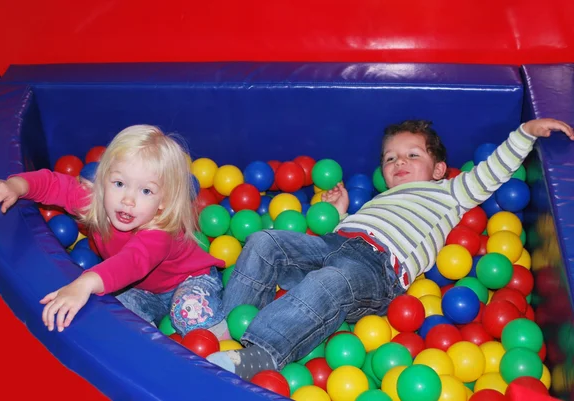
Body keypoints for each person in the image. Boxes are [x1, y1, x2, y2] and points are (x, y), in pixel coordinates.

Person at [206, 118, 574, 380]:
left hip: (378, 270)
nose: (400, 162)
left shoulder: (448, 193)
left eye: (413, 155)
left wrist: (525, 134)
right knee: (264, 240)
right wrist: (339, 215)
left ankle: (260, 354)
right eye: (391, 158)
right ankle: (221, 327)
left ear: (439, 169)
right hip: (336, 242)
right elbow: (347, 234)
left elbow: (490, 172)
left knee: (331, 282)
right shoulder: (380, 199)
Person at [0, 124, 230, 339]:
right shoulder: (96, 201)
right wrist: (16, 185)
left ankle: (223, 355)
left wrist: (84, 283)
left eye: (146, 191)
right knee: (115, 314)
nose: (128, 200)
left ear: (163, 201)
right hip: (142, 289)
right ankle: (149, 353)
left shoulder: (160, 232)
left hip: (189, 280)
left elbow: (129, 263)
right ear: (104, 179)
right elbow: (55, 185)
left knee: (188, 312)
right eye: (119, 183)